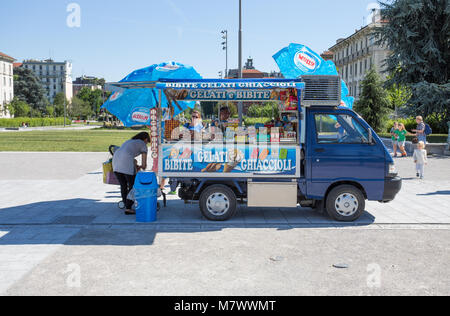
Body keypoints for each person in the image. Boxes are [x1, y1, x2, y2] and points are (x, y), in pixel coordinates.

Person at [113, 132, 150, 215]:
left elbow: (128, 155)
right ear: (145, 139)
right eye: (148, 141)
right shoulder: (143, 144)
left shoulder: (129, 141)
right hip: (125, 164)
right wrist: (141, 167)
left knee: (123, 185)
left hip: (115, 163)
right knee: (133, 186)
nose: (147, 143)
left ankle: (126, 204)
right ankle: (129, 208)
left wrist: (136, 165)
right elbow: (144, 165)